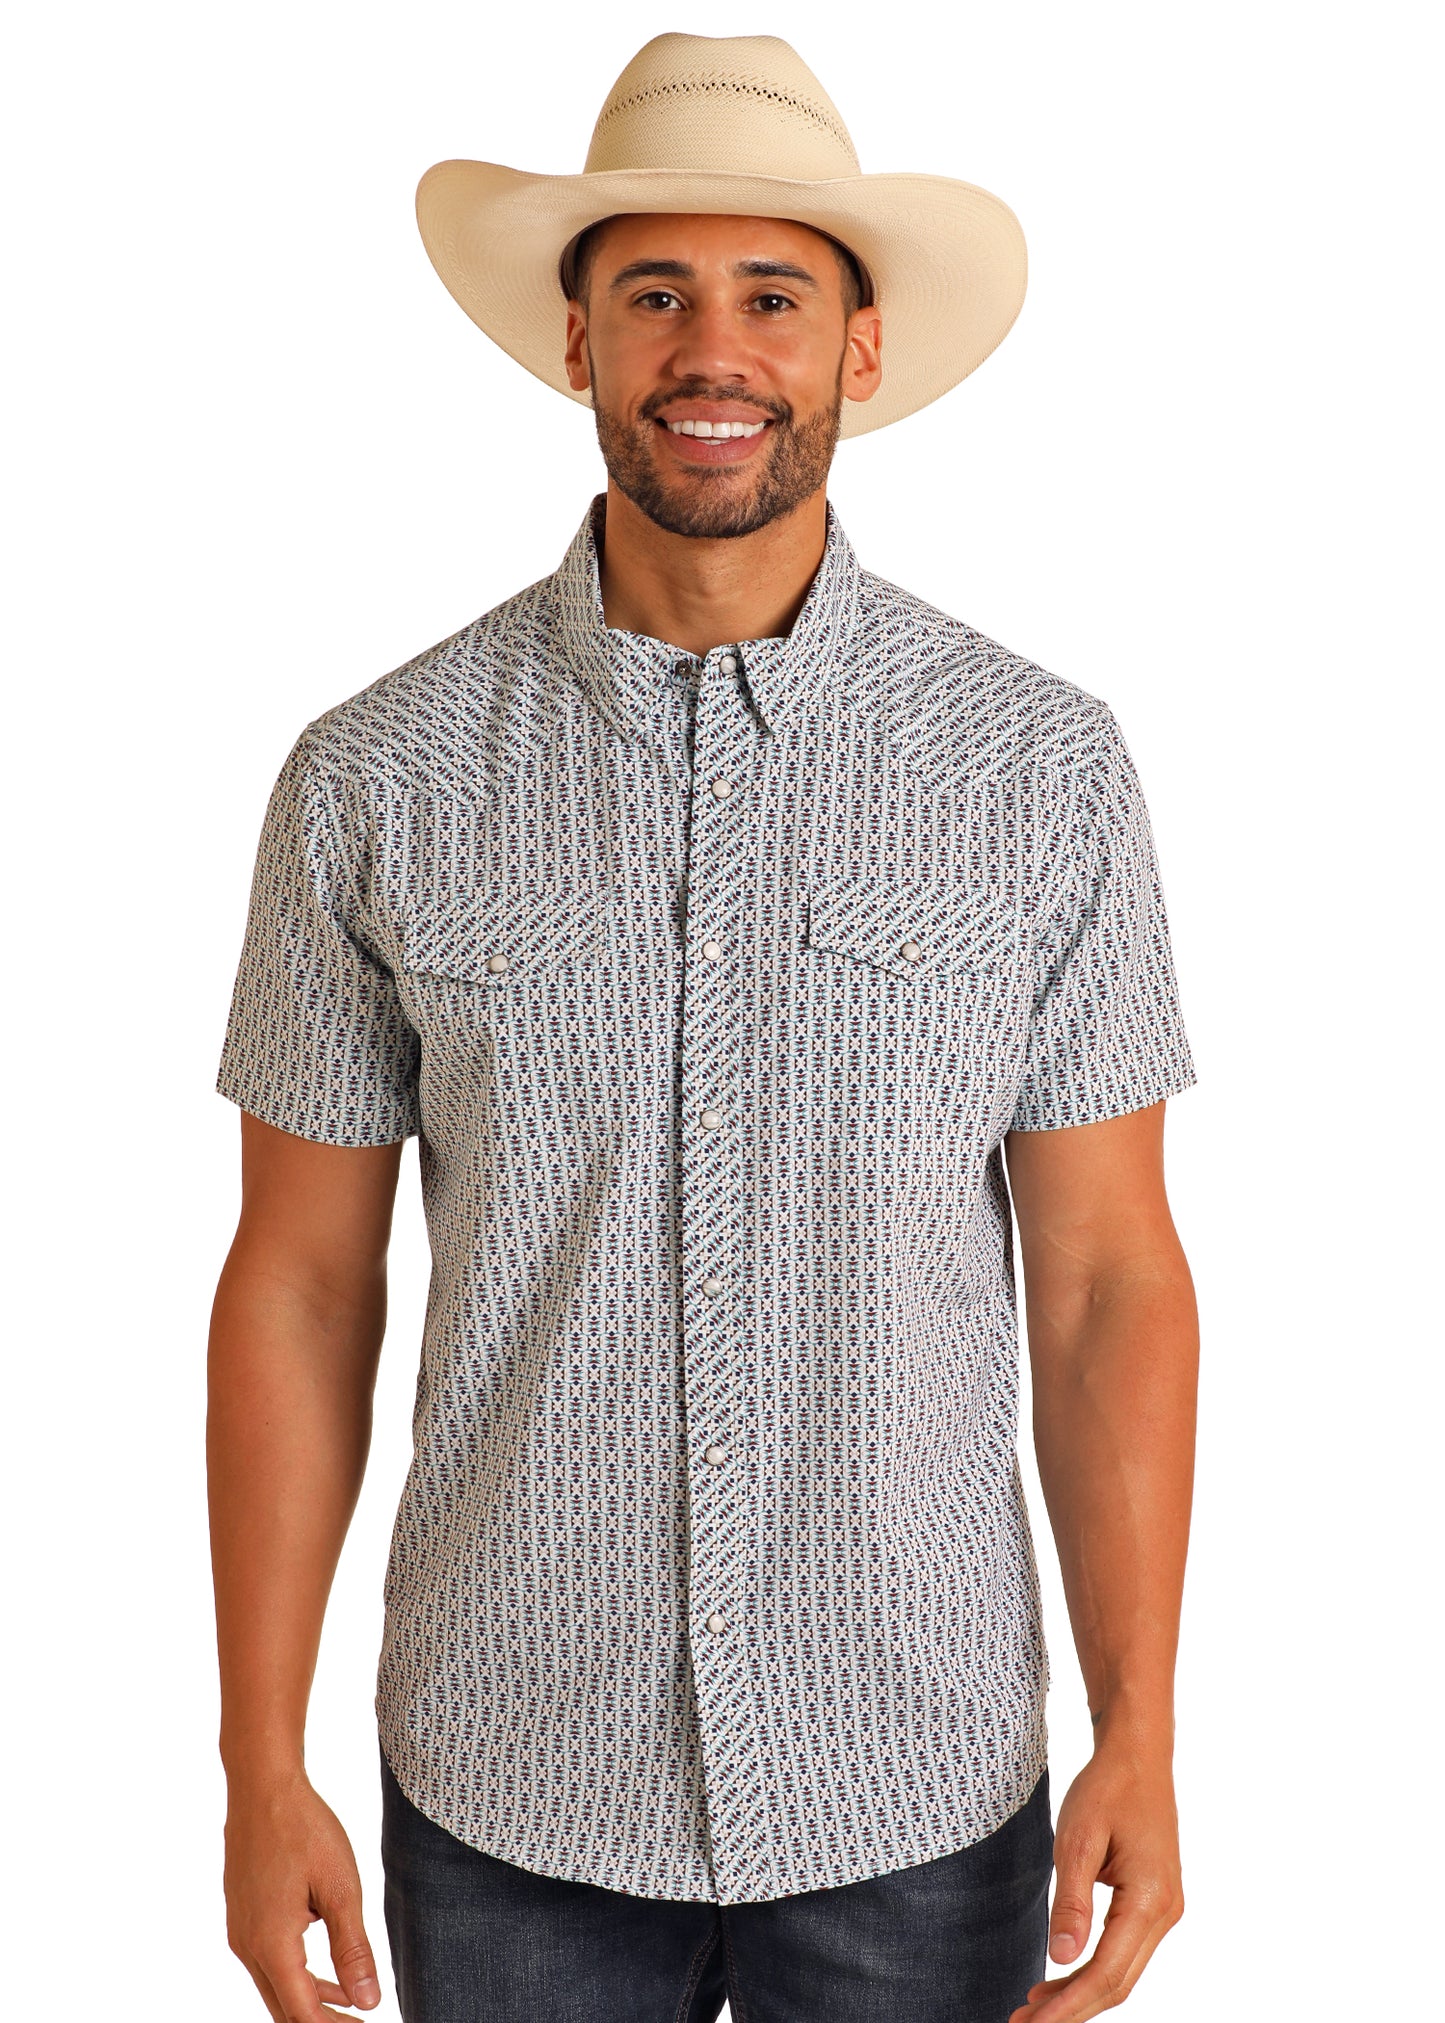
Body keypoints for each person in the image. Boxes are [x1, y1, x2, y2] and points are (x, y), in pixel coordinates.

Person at [208, 32, 1200, 2023]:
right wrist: (256, 1764)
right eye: (656, 294)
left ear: (861, 349)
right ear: (576, 341)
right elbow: (299, 1285)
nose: (714, 351)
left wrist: (1143, 1729)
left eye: (774, 295)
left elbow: (1107, 1278)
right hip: (508, 1783)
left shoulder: (1040, 770)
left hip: (919, 1780)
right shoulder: (374, 779)